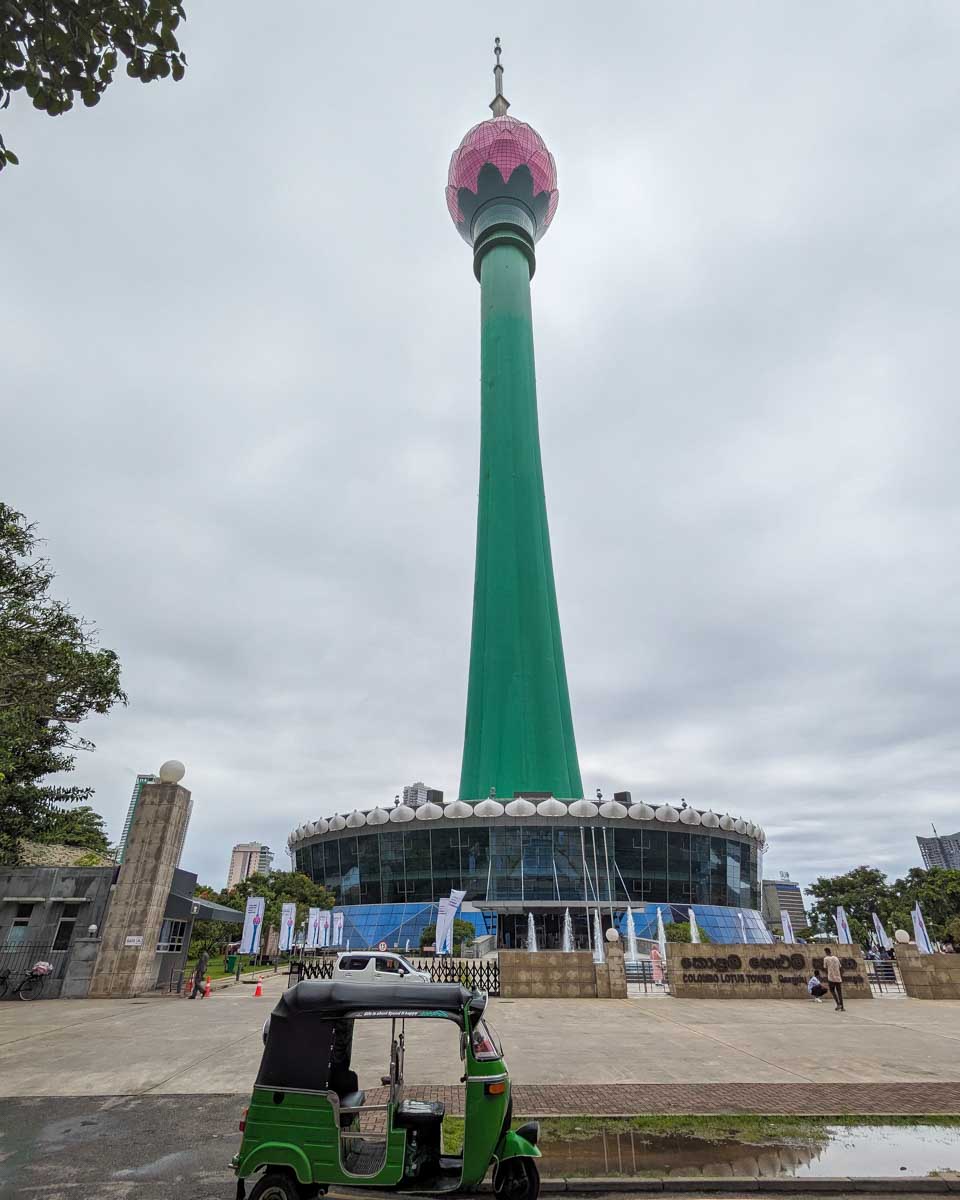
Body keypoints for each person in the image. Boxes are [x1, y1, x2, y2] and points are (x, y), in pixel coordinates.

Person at [822, 946, 844, 1011]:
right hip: (838, 977)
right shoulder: (836, 958)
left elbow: (825, 968)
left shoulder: (826, 959)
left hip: (831, 977)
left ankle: (838, 1004)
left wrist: (828, 974)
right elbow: (840, 967)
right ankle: (842, 1007)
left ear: (826, 952)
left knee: (832, 990)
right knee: (839, 992)